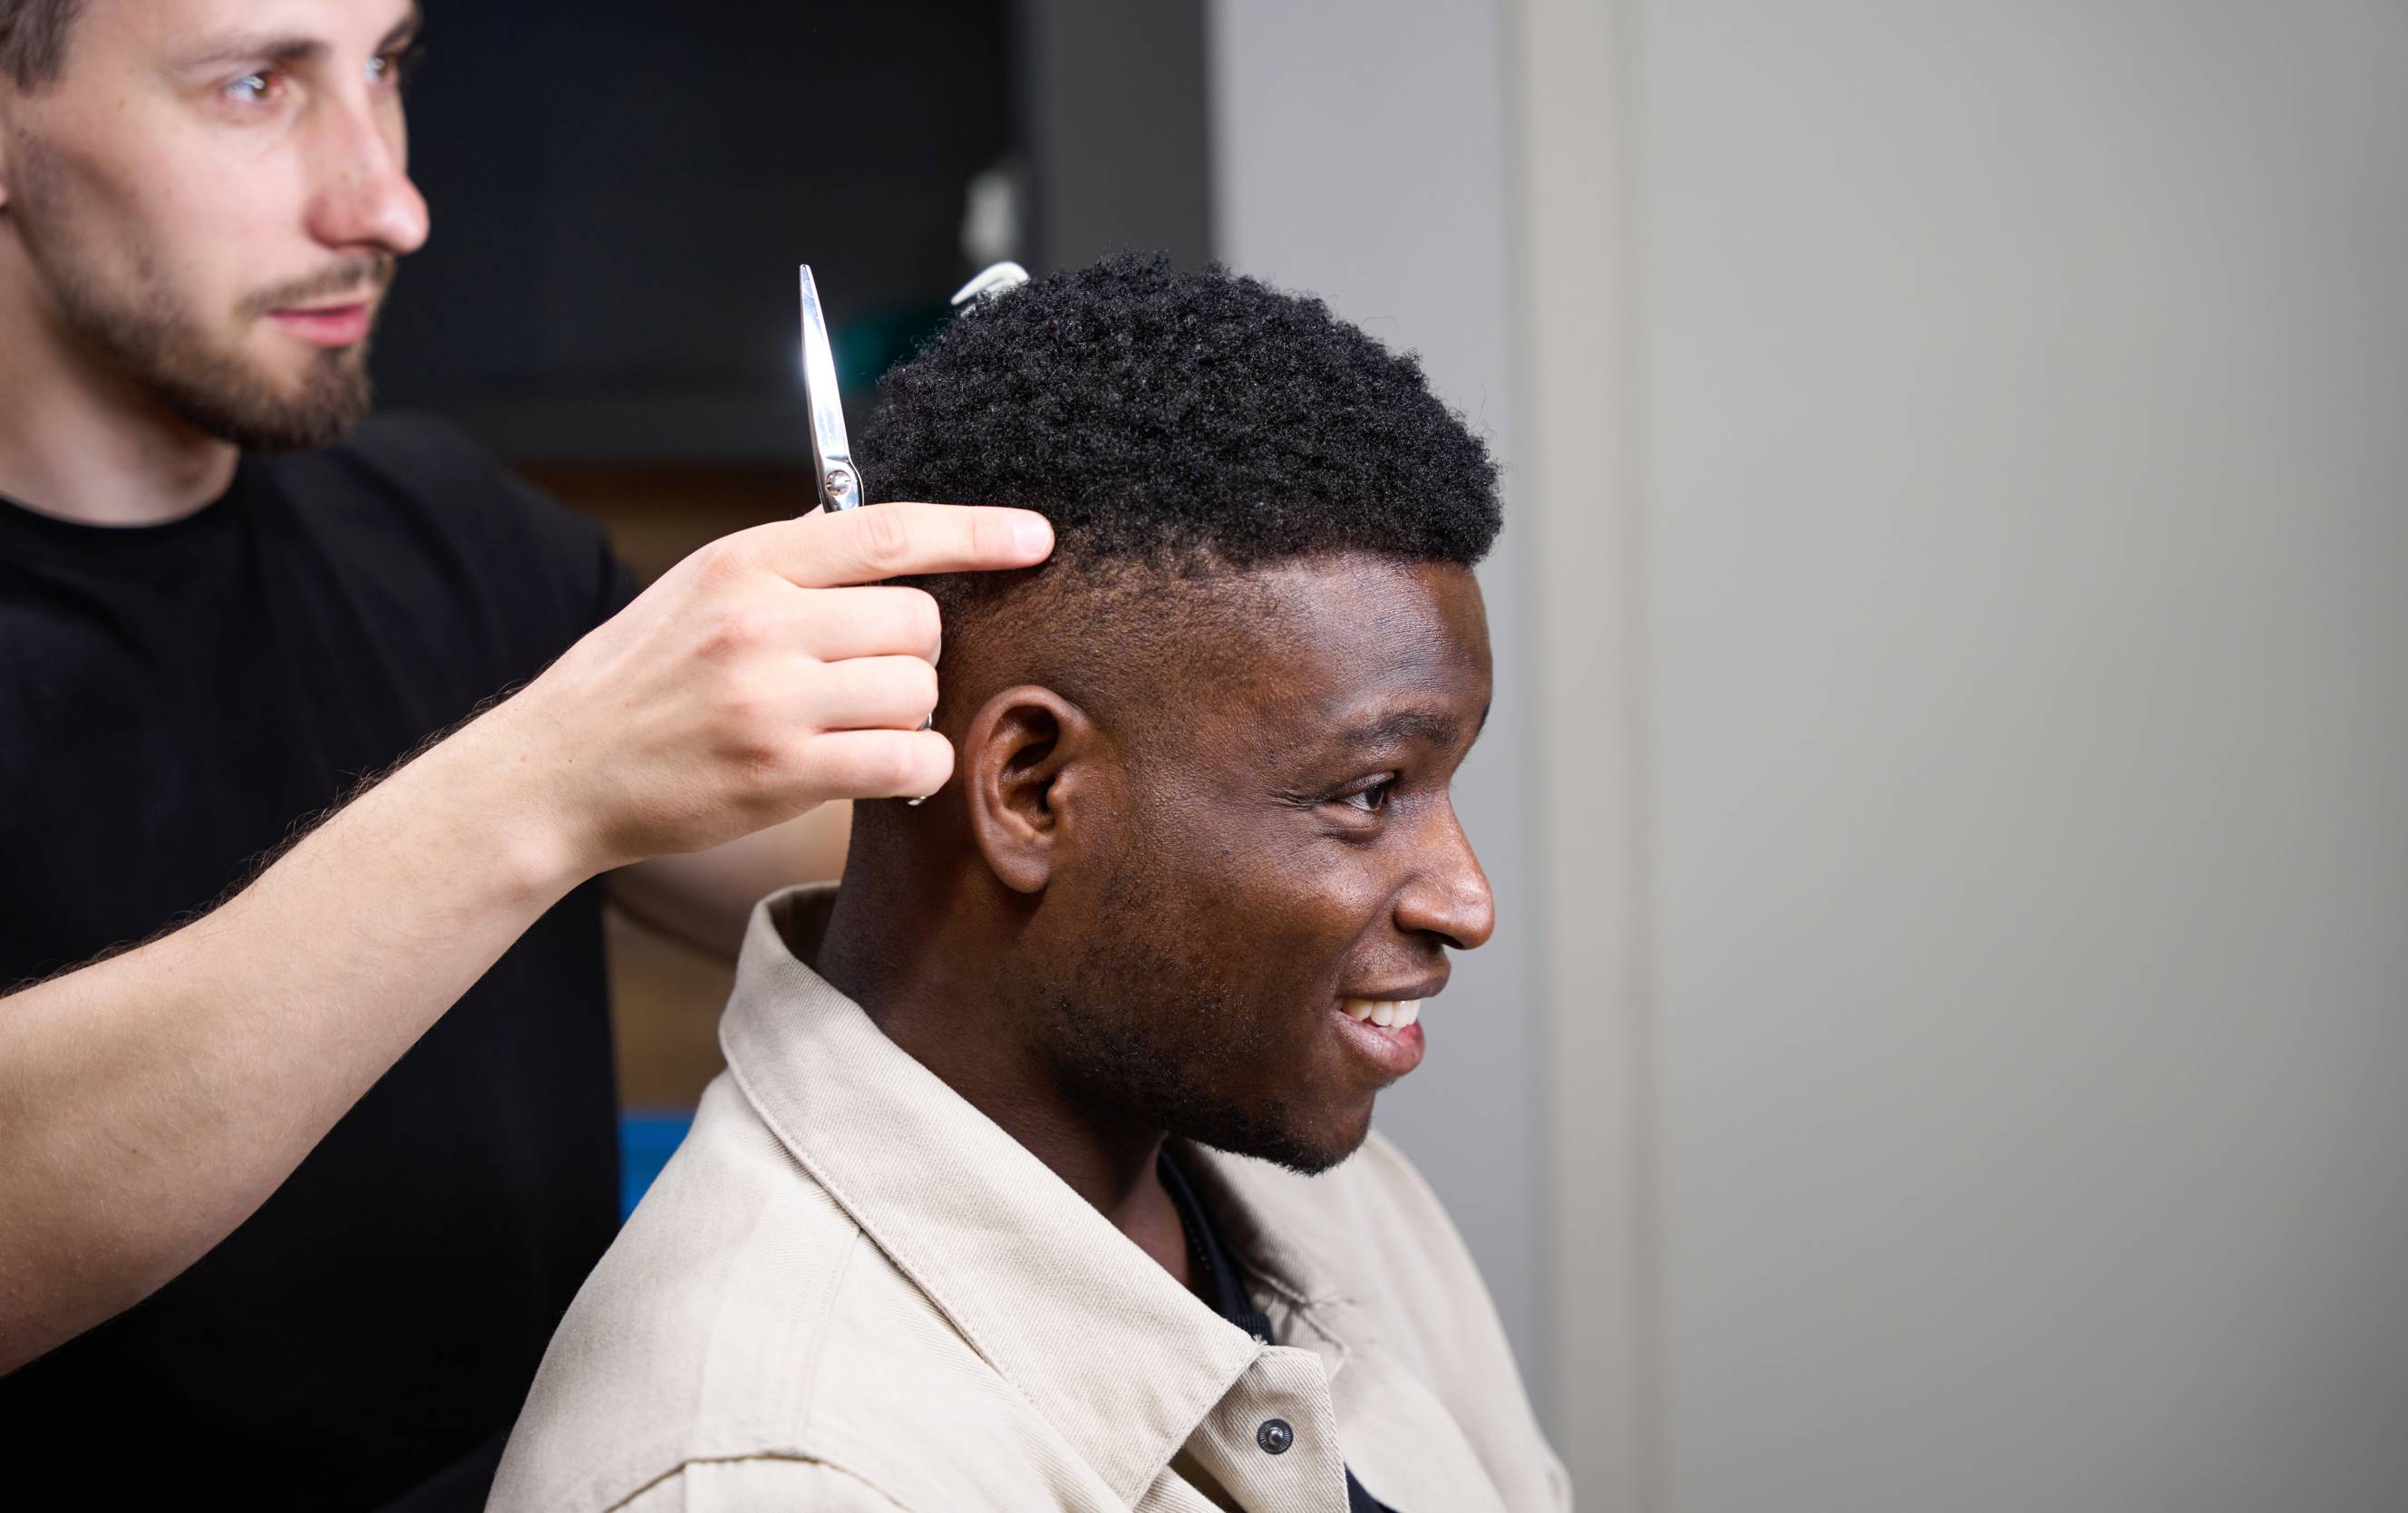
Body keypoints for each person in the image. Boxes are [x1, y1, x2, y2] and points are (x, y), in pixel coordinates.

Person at [0, 1, 1051, 1506]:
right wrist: (544, 777)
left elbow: (911, 901)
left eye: (389, 69)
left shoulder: (446, 529)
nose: (387, 202)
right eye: (253, 84)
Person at [488, 257, 1569, 1513]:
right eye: (1371, 793)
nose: (1467, 899)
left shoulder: (1330, 1194)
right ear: (1031, 787)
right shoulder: (778, 1474)